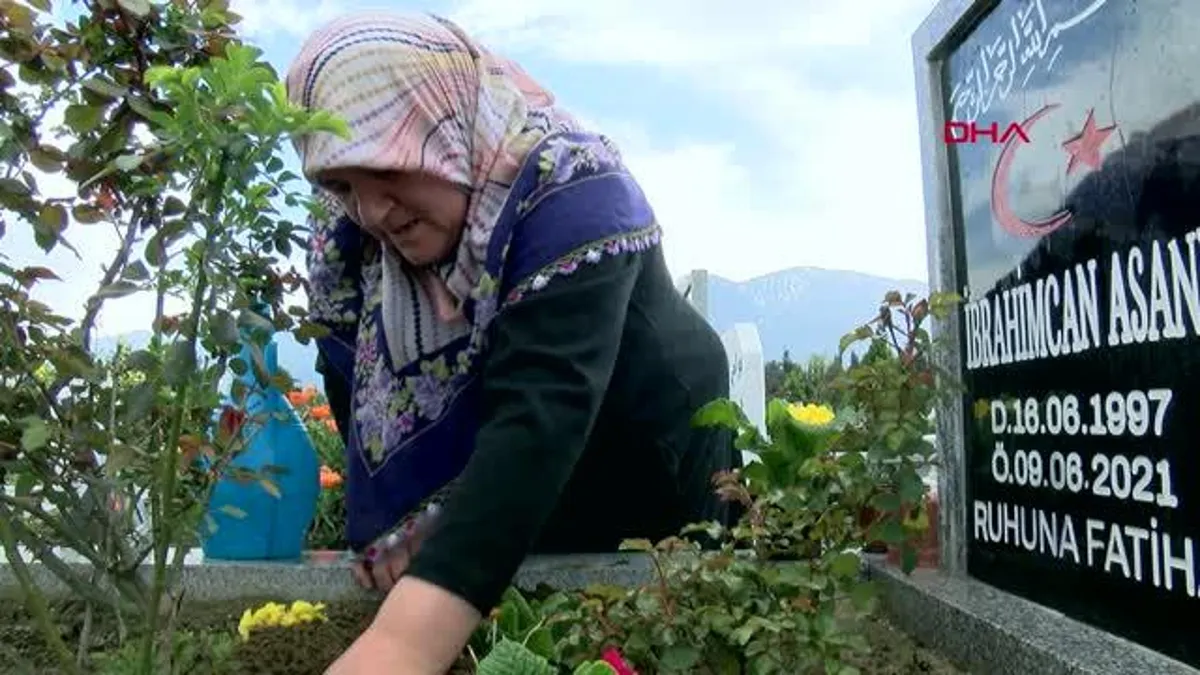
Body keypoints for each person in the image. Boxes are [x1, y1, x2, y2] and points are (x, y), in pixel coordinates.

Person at [287, 11, 741, 674]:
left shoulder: (573, 187)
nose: (371, 210)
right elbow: (350, 377)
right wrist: (417, 524)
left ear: (440, 127)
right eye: (340, 183)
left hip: (643, 437)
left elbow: (541, 416)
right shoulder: (350, 231)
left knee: (644, 636)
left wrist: (396, 649)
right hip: (514, 463)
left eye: (385, 170)